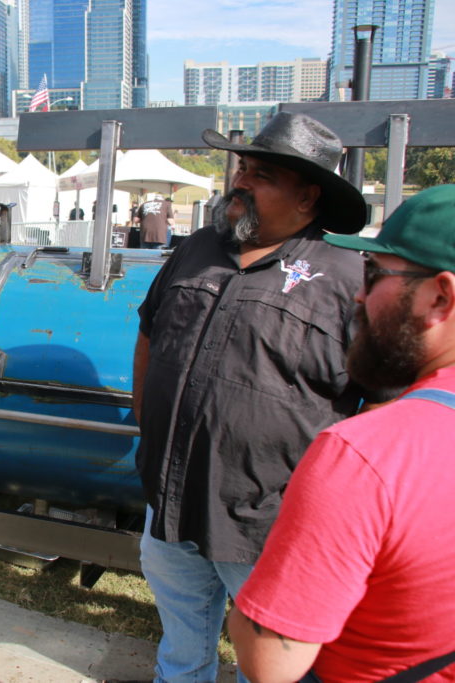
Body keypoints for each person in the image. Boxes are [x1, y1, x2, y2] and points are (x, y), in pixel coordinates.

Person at [130, 111, 389, 682]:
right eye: (242, 167)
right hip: (169, 504)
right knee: (180, 648)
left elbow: (385, 404)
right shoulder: (196, 248)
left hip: (267, 524)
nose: (240, 181)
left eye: (261, 174)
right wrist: (147, 426)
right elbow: (150, 333)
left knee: (267, 670)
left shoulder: (350, 281)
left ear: (308, 197)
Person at [228, 184, 455, 683]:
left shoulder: (363, 457)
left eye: (375, 274)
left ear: (441, 295)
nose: (357, 291)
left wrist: (242, 615)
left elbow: (269, 660)